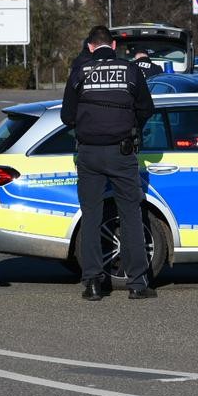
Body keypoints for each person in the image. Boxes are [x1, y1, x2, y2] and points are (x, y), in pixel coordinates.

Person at [62, 25, 156, 301]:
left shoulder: (80, 72)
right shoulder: (131, 71)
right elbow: (147, 109)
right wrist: (131, 126)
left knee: (91, 216)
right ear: (114, 46)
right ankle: (137, 283)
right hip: (122, 152)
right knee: (130, 214)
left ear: (91, 47)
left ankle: (92, 283)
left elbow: (67, 116)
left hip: (89, 154)